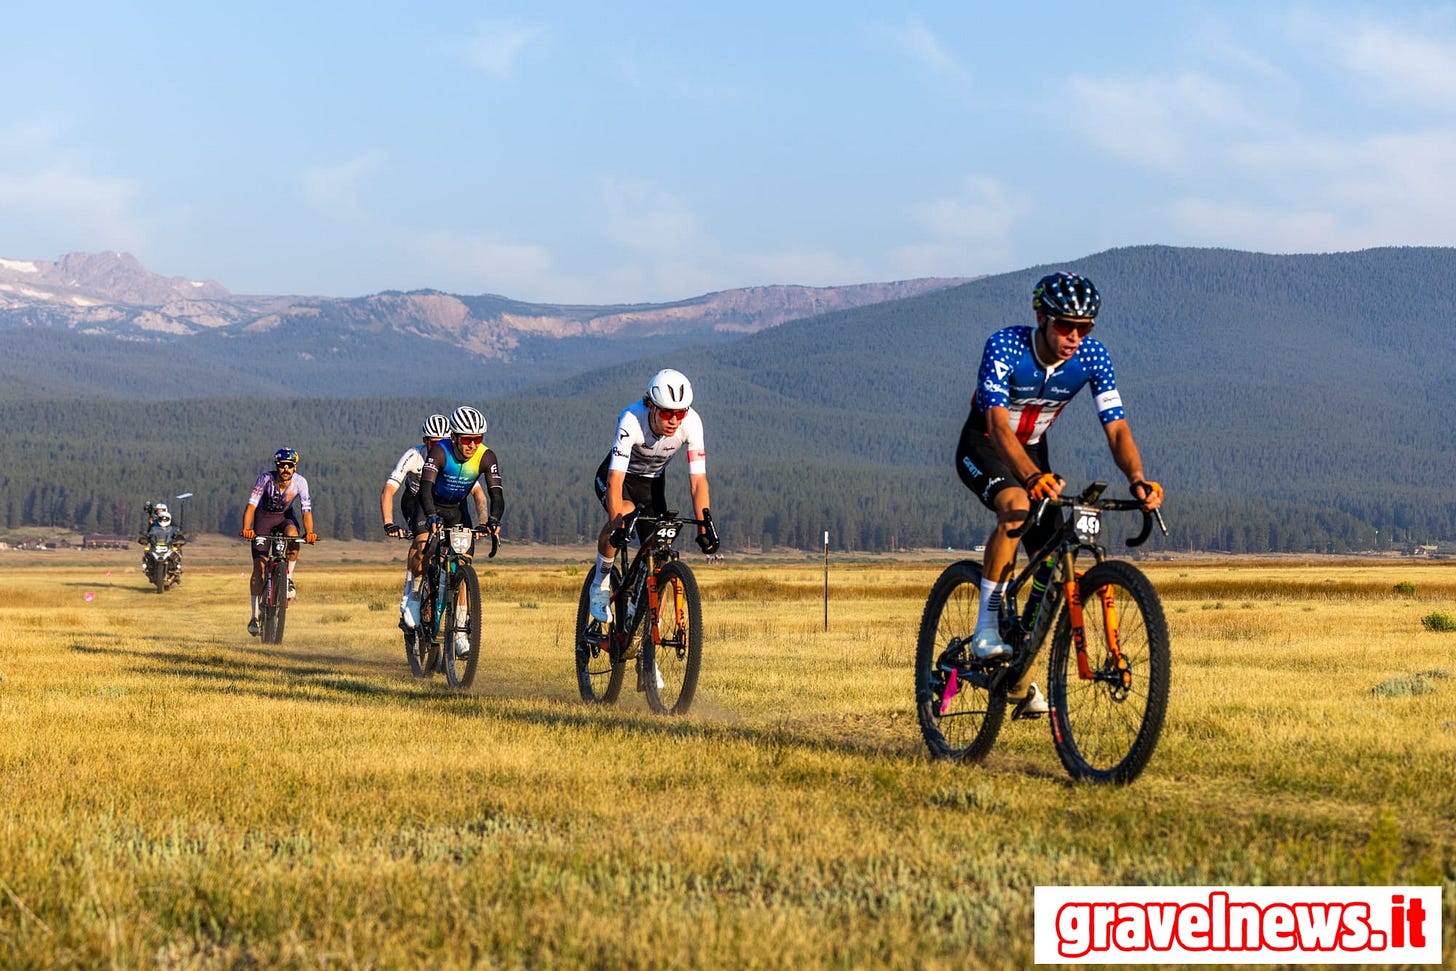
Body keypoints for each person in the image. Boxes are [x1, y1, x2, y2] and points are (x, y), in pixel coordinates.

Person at [954, 271, 1163, 717]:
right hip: (987, 445)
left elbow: (1117, 428)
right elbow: (996, 425)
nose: (1074, 337)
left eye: (1084, 328)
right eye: (1066, 326)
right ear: (1041, 318)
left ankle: (1017, 672)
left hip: (1033, 452)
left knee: (1052, 560)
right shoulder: (1006, 346)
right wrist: (1030, 478)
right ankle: (986, 626)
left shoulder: (1092, 357)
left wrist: (1138, 478)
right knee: (1016, 508)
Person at [587, 368, 719, 623]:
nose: (674, 420)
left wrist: (705, 526)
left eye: (680, 413)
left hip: (652, 484)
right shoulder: (631, 418)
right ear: (651, 406)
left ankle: (649, 632)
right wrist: (616, 524)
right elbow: (615, 480)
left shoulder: (692, 423)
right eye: (668, 413)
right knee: (623, 515)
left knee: (661, 551)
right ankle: (600, 583)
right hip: (619, 477)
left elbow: (698, 482)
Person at [380, 413, 489, 632]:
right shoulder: (414, 456)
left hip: (451, 506)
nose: (439, 446)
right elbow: (389, 489)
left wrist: (484, 522)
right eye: (434, 443)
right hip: (416, 501)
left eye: (444, 441)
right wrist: (389, 522)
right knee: (422, 544)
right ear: (425, 442)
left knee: (461, 558)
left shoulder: (453, 457)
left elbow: (478, 494)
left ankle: (456, 612)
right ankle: (413, 591)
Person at [410, 405, 505, 655]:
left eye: (478, 439)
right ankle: (414, 598)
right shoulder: (440, 452)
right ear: (454, 438)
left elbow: (496, 494)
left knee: (463, 564)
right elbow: (426, 488)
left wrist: (493, 520)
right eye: (467, 439)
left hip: (456, 510)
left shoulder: (486, 457)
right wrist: (430, 516)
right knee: (423, 549)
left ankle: (461, 631)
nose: (472, 445)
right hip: (429, 504)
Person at [240, 447, 317, 636]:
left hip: (284, 516)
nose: (286, 469)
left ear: (295, 467)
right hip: (263, 518)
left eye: (290, 466)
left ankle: (287, 579)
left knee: (293, 534)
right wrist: (247, 528)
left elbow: (306, 510)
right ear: (277, 466)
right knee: (260, 566)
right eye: (282, 466)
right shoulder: (265, 478)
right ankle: (254, 616)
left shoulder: (300, 482)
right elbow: (251, 506)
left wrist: (310, 533)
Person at [137, 502, 186, 578]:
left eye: (161, 510)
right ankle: (148, 565)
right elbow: (150, 532)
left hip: (169, 540)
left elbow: (175, 529)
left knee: (178, 549)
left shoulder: (169, 518)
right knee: (147, 551)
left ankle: (178, 565)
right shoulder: (154, 520)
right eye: (157, 511)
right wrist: (150, 525)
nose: (159, 512)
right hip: (157, 541)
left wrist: (177, 536)